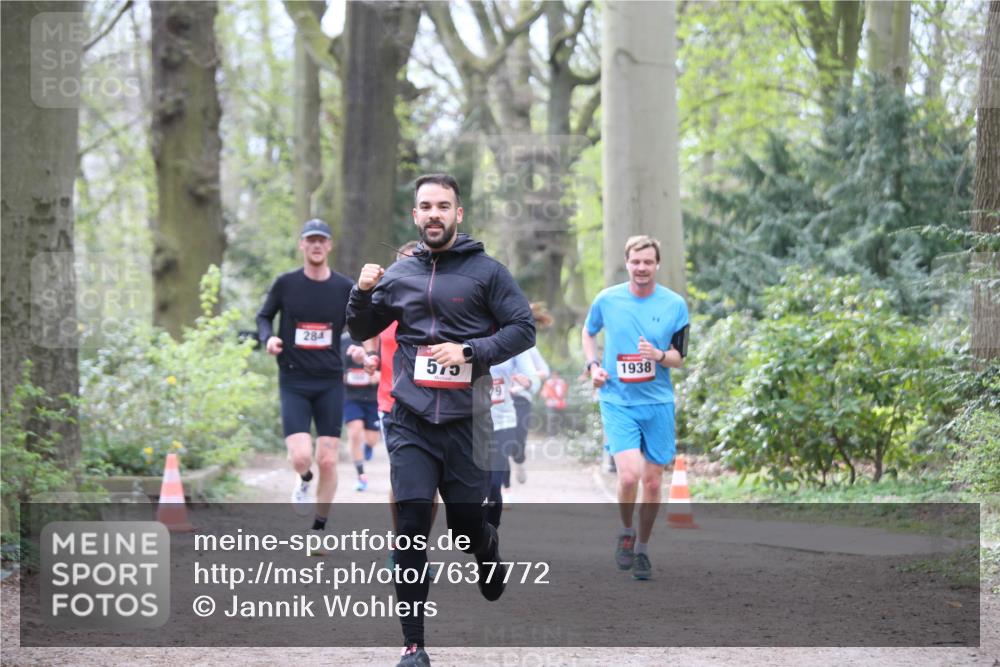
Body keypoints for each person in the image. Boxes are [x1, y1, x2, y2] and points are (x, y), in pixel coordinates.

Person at [346, 173, 535, 667]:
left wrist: (471, 349)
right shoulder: (399, 273)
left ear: (458, 213)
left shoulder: (487, 272)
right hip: (409, 418)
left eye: (443, 206)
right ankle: (413, 645)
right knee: (410, 525)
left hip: (466, 420)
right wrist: (362, 293)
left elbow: (523, 329)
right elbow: (364, 327)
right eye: (425, 206)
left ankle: (487, 548)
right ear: (415, 215)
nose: (434, 214)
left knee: (466, 529)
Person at [581, 235, 689, 581]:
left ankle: (642, 548)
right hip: (617, 399)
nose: (641, 268)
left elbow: (679, 357)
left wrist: (657, 356)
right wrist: (593, 366)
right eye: (635, 262)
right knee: (629, 475)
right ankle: (625, 532)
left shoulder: (675, 305)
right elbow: (588, 331)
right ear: (627, 263)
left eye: (648, 262)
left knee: (654, 484)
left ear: (657, 265)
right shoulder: (607, 299)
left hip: (657, 403)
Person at [256, 219, 355, 546]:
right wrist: (268, 339)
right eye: (310, 240)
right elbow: (263, 316)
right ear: (302, 245)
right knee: (301, 457)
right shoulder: (286, 283)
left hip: (330, 380)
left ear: (329, 246)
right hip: (294, 379)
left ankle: (318, 530)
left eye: (321, 240)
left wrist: (361, 350)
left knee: (328, 458)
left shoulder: (344, 288)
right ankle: (303, 479)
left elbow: (360, 323)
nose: (316, 245)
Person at [486, 350, 539, 526]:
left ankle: (490, 537)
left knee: (494, 484)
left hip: (503, 421)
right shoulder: (466, 329)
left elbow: (535, 380)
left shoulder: (513, 337)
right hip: (468, 422)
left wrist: (528, 382)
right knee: (472, 485)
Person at [507, 303, 551, 489]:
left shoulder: (529, 348)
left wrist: (528, 378)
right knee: (499, 442)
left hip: (521, 397)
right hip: (499, 399)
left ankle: (519, 460)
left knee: (517, 440)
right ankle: (503, 488)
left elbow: (544, 371)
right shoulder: (494, 341)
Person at [341, 331, 380, 491]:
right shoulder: (342, 340)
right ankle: (361, 475)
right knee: (355, 433)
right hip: (350, 396)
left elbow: (391, 368)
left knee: (371, 439)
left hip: (373, 398)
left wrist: (379, 375)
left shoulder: (378, 341)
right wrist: (342, 375)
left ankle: (369, 446)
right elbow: (333, 364)